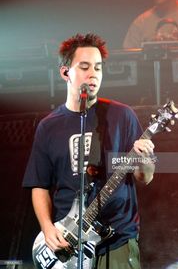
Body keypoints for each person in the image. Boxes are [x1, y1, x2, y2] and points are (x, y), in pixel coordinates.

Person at [22, 33, 156, 269]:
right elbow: (39, 185)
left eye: (97, 68)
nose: (93, 74)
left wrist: (144, 159)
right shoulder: (49, 126)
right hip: (68, 241)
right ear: (65, 72)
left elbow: (144, 177)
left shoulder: (122, 115)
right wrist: (47, 228)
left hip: (117, 240)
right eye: (84, 67)